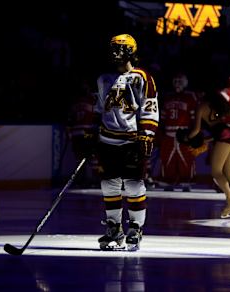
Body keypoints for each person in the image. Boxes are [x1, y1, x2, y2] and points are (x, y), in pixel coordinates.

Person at [92, 34, 158, 251]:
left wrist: (146, 134)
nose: (114, 53)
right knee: (108, 184)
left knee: (133, 184)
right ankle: (114, 227)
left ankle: (136, 227)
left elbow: (149, 106)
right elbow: (99, 109)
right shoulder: (103, 79)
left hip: (131, 141)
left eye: (119, 48)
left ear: (131, 51)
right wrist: (91, 133)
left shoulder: (142, 77)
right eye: (112, 48)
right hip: (107, 140)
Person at [178, 91, 230, 219]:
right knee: (229, 172)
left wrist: (187, 138)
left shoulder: (201, 106)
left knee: (216, 172)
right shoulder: (216, 106)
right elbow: (218, 129)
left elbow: (196, 130)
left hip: (223, 137)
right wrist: (205, 140)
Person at [159, 73, 199, 191]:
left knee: (186, 159)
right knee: (167, 159)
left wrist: (193, 133)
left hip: (184, 133)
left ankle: (186, 182)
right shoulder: (167, 97)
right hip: (169, 134)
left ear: (185, 83)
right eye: (175, 81)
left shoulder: (190, 97)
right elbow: (163, 117)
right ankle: (168, 181)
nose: (177, 84)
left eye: (180, 81)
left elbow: (194, 117)